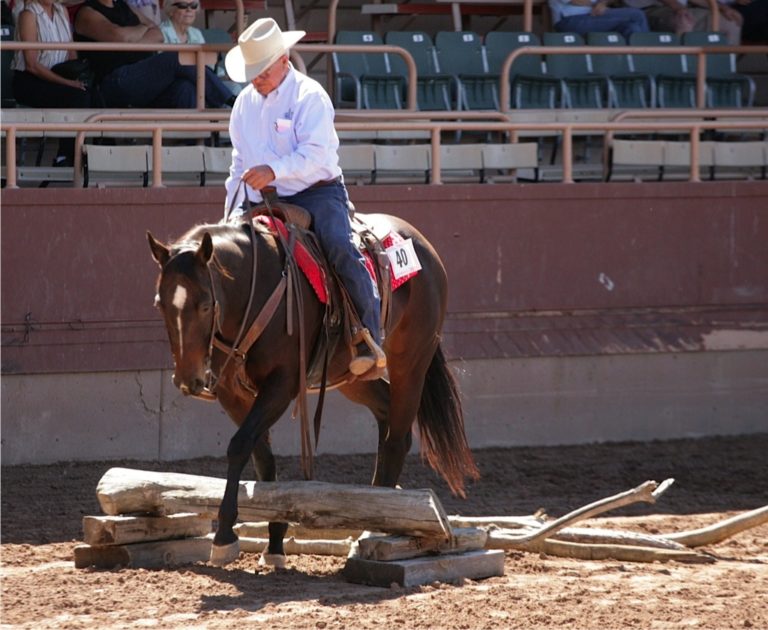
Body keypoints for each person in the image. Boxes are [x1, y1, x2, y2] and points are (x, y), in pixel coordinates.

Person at [223, 18, 386, 377]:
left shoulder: (310, 97)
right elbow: (238, 164)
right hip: (259, 197)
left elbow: (318, 158)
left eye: (262, 69)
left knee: (340, 246)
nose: (256, 78)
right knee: (227, 257)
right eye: (252, 71)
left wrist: (273, 170)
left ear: (283, 59)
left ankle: (370, 337)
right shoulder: (242, 106)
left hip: (316, 192)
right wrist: (230, 215)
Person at [73, 0, 234, 108]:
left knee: (185, 88)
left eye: (192, 6)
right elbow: (120, 37)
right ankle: (229, 101)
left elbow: (154, 28)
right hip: (114, 82)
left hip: (143, 82)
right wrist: (142, 29)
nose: (189, 9)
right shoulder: (88, 11)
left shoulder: (124, 5)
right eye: (184, 5)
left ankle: (194, 147)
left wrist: (136, 35)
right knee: (176, 57)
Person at [11, 0, 91, 165]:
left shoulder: (62, 11)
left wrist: (75, 76)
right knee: (76, 97)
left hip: (58, 76)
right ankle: (65, 157)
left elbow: (71, 52)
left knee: (91, 93)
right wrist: (68, 83)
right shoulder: (28, 15)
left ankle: (100, 154)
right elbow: (31, 65)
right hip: (29, 81)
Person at [623, 0, 741, 45]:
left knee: (731, 23)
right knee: (684, 22)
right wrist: (677, 7)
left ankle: (724, 76)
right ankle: (684, 77)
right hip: (648, 10)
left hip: (682, 8)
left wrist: (724, 8)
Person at [548, 0, 650, 39]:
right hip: (570, 21)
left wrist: (603, 3)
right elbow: (580, 1)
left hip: (594, 16)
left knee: (632, 27)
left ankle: (637, 69)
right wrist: (597, 4)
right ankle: (648, 61)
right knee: (635, 15)